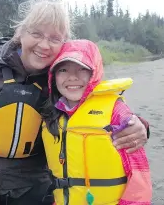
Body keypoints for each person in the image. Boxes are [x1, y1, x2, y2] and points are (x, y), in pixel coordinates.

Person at [0, 0, 149, 205]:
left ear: (64, 44)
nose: (44, 45)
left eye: (55, 39)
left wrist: (139, 125)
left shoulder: (62, 76)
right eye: (36, 33)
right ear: (20, 33)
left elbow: (96, 107)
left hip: (36, 189)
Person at [42, 40, 152, 205]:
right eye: (63, 70)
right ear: (53, 76)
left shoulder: (118, 113)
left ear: (95, 72)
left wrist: (142, 125)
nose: (72, 77)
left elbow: (139, 177)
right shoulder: (50, 114)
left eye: (82, 69)